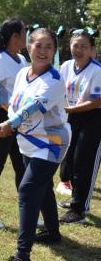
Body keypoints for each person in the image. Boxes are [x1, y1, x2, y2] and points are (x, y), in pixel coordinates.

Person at [0, 28, 71, 261]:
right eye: (38, 45)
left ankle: (22, 254)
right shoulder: (22, 73)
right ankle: (53, 232)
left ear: (55, 51)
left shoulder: (55, 80)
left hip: (51, 143)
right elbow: (15, 103)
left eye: (49, 47)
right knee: (43, 187)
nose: (43, 51)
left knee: (28, 189)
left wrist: (10, 124)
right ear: (29, 46)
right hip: (27, 142)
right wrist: (7, 120)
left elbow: (31, 108)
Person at [0, 17, 28, 229]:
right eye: (24, 32)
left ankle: (27, 211)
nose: (26, 36)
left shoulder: (22, 60)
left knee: (22, 168)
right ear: (15, 36)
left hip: (21, 122)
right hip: (1, 121)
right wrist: (7, 113)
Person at [57, 28, 101, 224]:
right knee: (70, 162)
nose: (79, 50)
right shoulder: (66, 66)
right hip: (73, 116)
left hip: (94, 119)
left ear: (92, 49)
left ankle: (79, 210)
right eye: (76, 45)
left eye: (84, 46)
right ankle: (77, 200)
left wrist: (67, 109)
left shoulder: (97, 71)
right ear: (70, 47)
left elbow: (95, 102)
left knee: (84, 163)